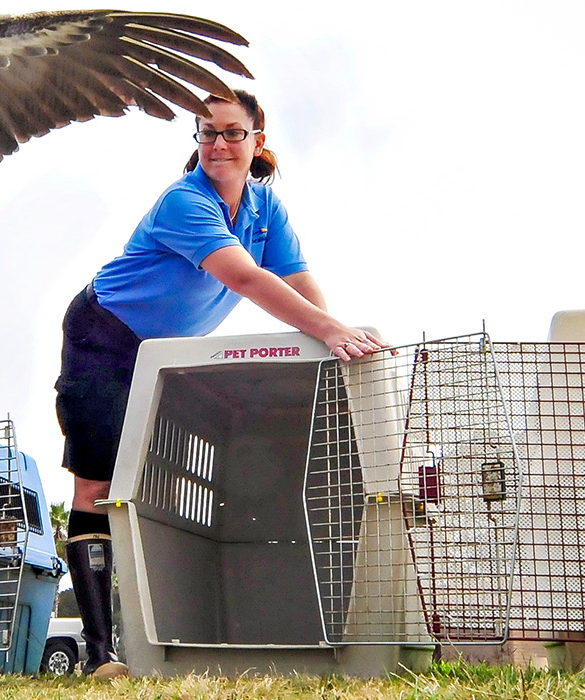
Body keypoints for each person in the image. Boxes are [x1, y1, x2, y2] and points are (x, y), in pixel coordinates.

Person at [55, 89, 384, 678]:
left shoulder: (266, 207)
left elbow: (297, 278)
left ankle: (145, 637)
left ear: (258, 141)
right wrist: (328, 330)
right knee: (96, 486)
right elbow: (246, 278)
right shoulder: (186, 202)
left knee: (148, 479)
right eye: (206, 133)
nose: (219, 144)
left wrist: (332, 342)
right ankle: (100, 655)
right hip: (103, 337)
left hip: (163, 351)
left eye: (232, 132)